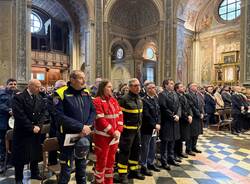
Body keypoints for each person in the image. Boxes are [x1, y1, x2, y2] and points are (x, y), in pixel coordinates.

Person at [54, 70, 96, 184]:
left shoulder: (86, 93)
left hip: (84, 134)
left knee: (82, 165)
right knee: (66, 169)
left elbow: (93, 111)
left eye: (84, 78)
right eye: (80, 78)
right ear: (72, 79)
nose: (84, 81)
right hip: (68, 135)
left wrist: (87, 126)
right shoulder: (60, 93)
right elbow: (59, 116)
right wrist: (81, 127)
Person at [12, 79, 47, 184]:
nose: (39, 89)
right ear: (29, 86)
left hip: (36, 131)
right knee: (20, 157)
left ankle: (34, 173)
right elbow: (19, 115)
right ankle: (19, 178)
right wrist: (31, 127)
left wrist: (38, 126)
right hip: (22, 131)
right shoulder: (19, 97)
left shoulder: (39, 97)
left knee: (34, 154)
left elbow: (43, 113)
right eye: (37, 86)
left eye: (40, 86)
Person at [93, 80, 123, 184]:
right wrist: (112, 132)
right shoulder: (97, 101)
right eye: (109, 87)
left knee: (111, 161)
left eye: (111, 86)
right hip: (103, 137)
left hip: (114, 137)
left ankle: (109, 181)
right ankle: (99, 181)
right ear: (103, 88)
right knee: (102, 162)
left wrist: (119, 130)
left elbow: (120, 116)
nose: (111, 88)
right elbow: (100, 120)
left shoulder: (114, 100)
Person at [117, 78, 145, 183]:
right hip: (126, 132)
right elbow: (119, 117)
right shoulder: (123, 99)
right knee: (124, 152)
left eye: (139, 85)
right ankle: (122, 174)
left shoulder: (139, 98)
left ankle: (134, 170)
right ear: (129, 87)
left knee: (135, 151)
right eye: (135, 85)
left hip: (137, 131)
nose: (138, 87)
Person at [158, 79, 181, 170]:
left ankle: (171, 158)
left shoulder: (175, 94)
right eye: (171, 84)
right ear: (166, 85)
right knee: (165, 142)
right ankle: (164, 161)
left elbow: (179, 106)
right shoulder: (162, 95)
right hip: (167, 122)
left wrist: (178, 115)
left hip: (175, 121)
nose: (173, 85)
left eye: (173, 83)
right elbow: (163, 108)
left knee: (173, 141)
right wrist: (173, 116)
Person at [140, 82, 161, 176]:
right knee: (146, 147)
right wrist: (154, 125)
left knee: (153, 145)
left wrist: (159, 123)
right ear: (147, 89)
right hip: (147, 128)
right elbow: (146, 115)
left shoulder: (155, 98)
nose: (153, 89)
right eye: (151, 88)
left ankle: (151, 162)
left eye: (154, 87)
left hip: (155, 127)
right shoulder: (144, 100)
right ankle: (143, 165)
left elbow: (158, 112)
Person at [0, 78, 18, 172]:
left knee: (12, 142)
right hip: (3, 122)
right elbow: (1, 105)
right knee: (3, 143)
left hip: (13, 123)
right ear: (7, 85)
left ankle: (10, 161)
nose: (13, 85)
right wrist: (9, 110)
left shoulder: (16, 94)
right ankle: (2, 163)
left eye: (15, 84)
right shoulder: (2, 93)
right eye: (11, 84)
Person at [174, 82, 192, 159]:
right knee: (179, 138)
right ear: (177, 89)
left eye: (183, 86)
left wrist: (190, 115)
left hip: (186, 119)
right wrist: (187, 117)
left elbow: (188, 107)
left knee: (184, 137)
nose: (183, 87)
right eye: (181, 87)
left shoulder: (184, 96)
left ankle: (181, 151)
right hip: (181, 120)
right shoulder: (176, 96)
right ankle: (177, 153)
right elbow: (180, 109)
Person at [185, 82, 204, 156]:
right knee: (191, 133)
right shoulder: (188, 95)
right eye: (194, 86)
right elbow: (191, 106)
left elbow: (201, 105)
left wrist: (202, 112)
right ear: (190, 87)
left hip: (198, 117)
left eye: (196, 85)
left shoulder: (198, 94)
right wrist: (199, 114)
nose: (196, 87)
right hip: (193, 116)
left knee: (196, 133)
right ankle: (188, 149)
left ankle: (194, 147)